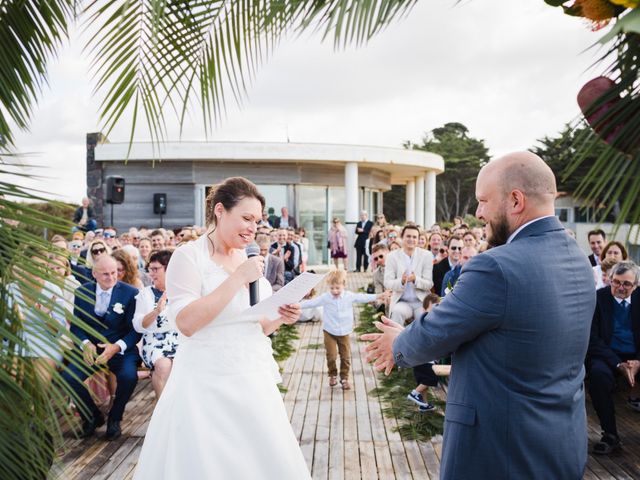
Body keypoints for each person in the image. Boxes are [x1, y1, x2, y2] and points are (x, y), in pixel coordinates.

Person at [362, 151, 595, 479]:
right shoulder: (579, 260)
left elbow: (437, 331)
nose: (478, 212)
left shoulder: (496, 266)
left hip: (498, 449)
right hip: (561, 442)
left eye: (484, 200)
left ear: (515, 200)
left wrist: (398, 343)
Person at [133, 177, 310, 478]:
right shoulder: (189, 256)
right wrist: (237, 278)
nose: (253, 227)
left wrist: (283, 315)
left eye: (257, 220)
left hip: (251, 375)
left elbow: (258, 324)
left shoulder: (248, 259)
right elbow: (186, 323)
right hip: (204, 381)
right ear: (219, 211)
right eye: (246, 218)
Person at [62, 255, 140, 440]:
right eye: (105, 274)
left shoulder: (130, 293)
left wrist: (116, 347)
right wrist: (85, 344)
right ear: (94, 274)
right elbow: (76, 326)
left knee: (129, 377)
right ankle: (91, 416)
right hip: (90, 349)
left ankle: (114, 418)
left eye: (114, 273)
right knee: (69, 377)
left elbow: (135, 331)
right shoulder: (82, 292)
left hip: (119, 349)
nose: (111, 277)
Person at [299, 270, 388, 390]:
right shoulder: (326, 297)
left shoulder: (349, 296)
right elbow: (312, 303)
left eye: (337, 288)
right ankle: (332, 375)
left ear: (343, 285)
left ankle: (344, 377)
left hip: (344, 331)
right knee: (331, 355)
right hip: (329, 331)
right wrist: (297, 305)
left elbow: (362, 297)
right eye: (332, 288)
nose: (335, 291)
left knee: (345, 356)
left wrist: (378, 296)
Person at [586, 261, 640, 454]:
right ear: (609, 280)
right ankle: (610, 435)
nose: (620, 288)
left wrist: (638, 362)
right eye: (616, 282)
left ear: (635, 285)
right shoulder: (598, 299)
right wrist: (618, 363)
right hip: (608, 355)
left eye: (626, 284)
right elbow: (592, 339)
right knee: (598, 374)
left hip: (636, 356)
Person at [6, 246, 67, 386]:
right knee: (13, 383)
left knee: (40, 386)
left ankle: (37, 407)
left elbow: (58, 333)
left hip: (44, 345)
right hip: (14, 343)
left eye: (44, 265)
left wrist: (46, 317)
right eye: (35, 265)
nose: (39, 269)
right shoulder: (9, 289)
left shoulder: (53, 290)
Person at [133, 250, 179, 399]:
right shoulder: (145, 294)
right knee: (164, 366)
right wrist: (156, 311)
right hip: (155, 342)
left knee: (191, 361)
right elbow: (138, 325)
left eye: (155, 269)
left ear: (169, 268)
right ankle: (163, 410)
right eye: (150, 269)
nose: (151, 273)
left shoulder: (180, 291)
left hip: (180, 340)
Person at [384, 224, 434, 325]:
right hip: (401, 301)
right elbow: (387, 283)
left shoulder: (427, 255)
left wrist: (416, 279)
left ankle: (422, 341)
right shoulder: (391, 256)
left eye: (414, 237)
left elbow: (429, 284)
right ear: (402, 237)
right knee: (397, 312)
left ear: (418, 239)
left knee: (425, 318)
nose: (411, 239)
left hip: (421, 301)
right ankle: (396, 340)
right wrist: (401, 281)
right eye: (408, 236)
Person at [406, 293, 441, 413]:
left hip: (420, 358)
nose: (436, 311)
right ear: (424, 309)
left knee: (422, 380)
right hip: (424, 358)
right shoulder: (425, 323)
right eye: (433, 308)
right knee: (430, 378)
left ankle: (424, 404)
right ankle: (414, 393)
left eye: (438, 308)